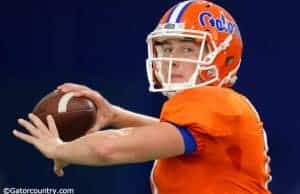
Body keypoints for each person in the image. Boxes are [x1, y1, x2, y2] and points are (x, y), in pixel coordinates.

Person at [13, 0, 272, 193]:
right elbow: (174, 137)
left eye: (188, 49)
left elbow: (110, 148)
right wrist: (115, 114)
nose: (173, 58)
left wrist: (60, 148)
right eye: (167, 48)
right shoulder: (218, 113)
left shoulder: (213, 103)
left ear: (224, 56)